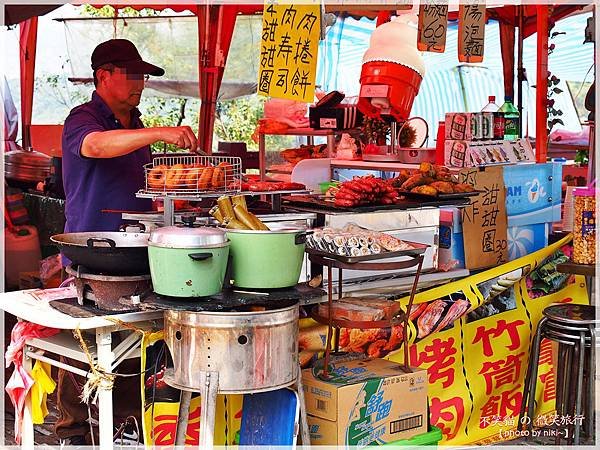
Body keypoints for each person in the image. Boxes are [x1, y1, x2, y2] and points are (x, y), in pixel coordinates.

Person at [57, 38, 198, 445]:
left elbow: (144, 182)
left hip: (137, 248)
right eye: (132, 74)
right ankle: (73, 430)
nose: (140, 83)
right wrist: (163, 132)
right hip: (92, 250)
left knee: (133, 340)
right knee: (87, 341)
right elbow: (94, 146)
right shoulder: (82, 118)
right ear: (104, 77)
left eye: (143, 76)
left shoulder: (135, 125)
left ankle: (122, 426)